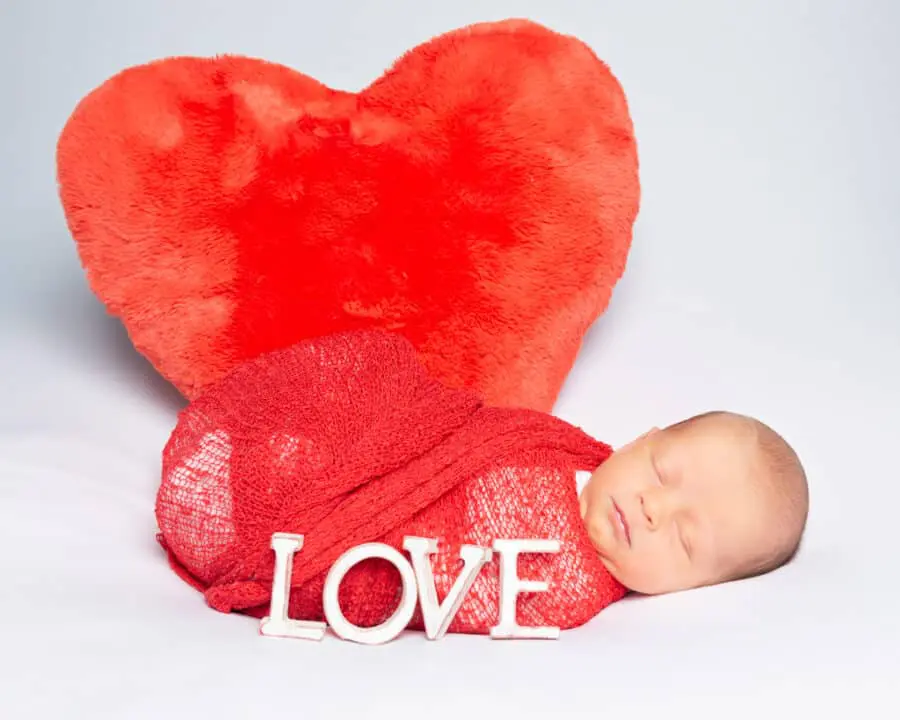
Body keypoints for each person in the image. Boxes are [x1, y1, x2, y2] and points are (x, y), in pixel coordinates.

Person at [578, 410, 809, 596]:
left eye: (683, 537)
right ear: (637, 442)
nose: (653, 508)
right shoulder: (558, 450)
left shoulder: (578, 596)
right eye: (661, 473)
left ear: (697, 586)